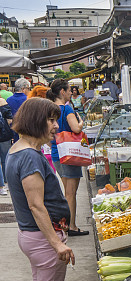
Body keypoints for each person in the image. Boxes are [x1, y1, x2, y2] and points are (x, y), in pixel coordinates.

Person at [5, 98, 82, 281]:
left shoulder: (19, 151)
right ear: (36, 121)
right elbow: (36, 205)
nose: (55, 125)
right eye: (50, 120)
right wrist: (57, 243)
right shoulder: (29, 156)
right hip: (41, 238)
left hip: (34, 237)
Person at [46, 78, 89, 237]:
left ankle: (66, 224)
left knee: (67, 192)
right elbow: (76, 129)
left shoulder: (50, 109)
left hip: (57, 153)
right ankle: (71, 226)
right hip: (70, 154)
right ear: (62, 91)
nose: (72, 92)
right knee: (71, 193)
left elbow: (48, 135)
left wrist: (55, 145)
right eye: (70, 90)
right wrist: (81, 122)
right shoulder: (67, 109)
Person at [0, 96, 13, 195]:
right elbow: (10, 119)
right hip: (5, 135)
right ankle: (7, 182)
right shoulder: (2, 101)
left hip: (4, 135)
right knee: (5, 160)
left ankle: (1, 186)